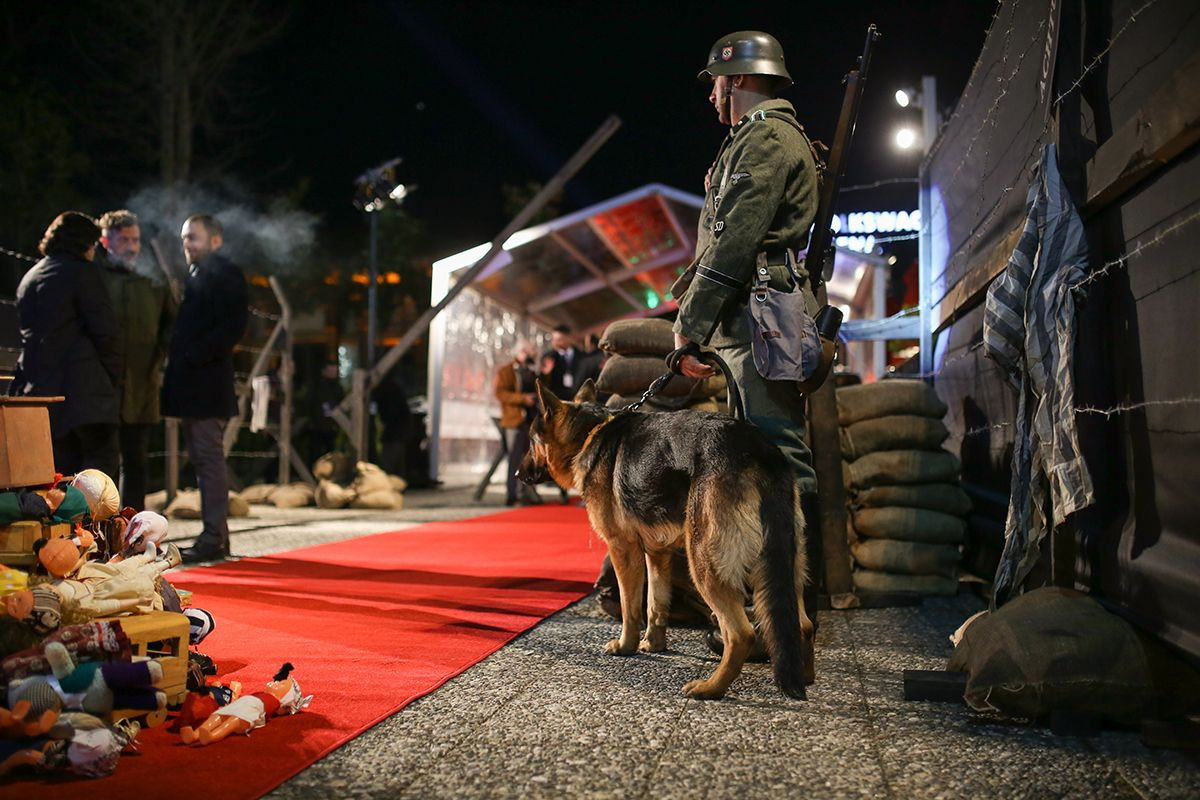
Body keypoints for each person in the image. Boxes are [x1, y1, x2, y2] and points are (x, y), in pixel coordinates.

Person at [670, 32, 824, 641]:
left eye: (715, 82)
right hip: (756, 311)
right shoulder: (757, 138)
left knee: (777, 455)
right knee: (758, 459)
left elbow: (733, 241)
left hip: (760, 314)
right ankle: (775, 607)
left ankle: (787, 613)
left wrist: (690, 326)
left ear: (735, 80)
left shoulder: (763, 138)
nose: (712, 94)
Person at [162, 215, 248, 564]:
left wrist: (192, 355)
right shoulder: (199, 273)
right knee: (204, 459)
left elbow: (233, 326)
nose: (187, 244)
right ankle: (215, 535)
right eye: (184, 238)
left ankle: (214, 536)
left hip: (206, 385)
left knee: (208, 459)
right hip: (197, 384)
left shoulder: (222, 272)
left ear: (215, 240)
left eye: (194, 238)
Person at [9, 212, 121, 478]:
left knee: (58, 472)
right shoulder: (82, 273)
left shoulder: (30, 277)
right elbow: (105, 332)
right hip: (86, 391)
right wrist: (114, 378)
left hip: (41, 391)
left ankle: (67, 521)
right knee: (99, 470)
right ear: (85, 244)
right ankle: (95, 521)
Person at [95, 210, 176, 511]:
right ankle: (100, 531)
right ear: (106, 241)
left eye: (135, 240)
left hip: (143, 382)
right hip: (102, 385)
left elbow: (172, 321)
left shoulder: (153, 279)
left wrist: (160, 355)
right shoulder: (93, 275)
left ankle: (133, 527)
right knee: (102, 465)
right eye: (124, 239)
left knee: (137, 462)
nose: (131, 246)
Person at [493, 340, 540, 506]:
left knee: (528, 460)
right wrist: (522, 399)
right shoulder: (506, 371)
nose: (531, 355)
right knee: (513, 459)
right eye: (528, 352)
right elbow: (499, 393)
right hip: (514, 421)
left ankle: (526, 493)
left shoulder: (530, 371)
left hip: (529, 421)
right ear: (520, 352)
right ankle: (511, 494)